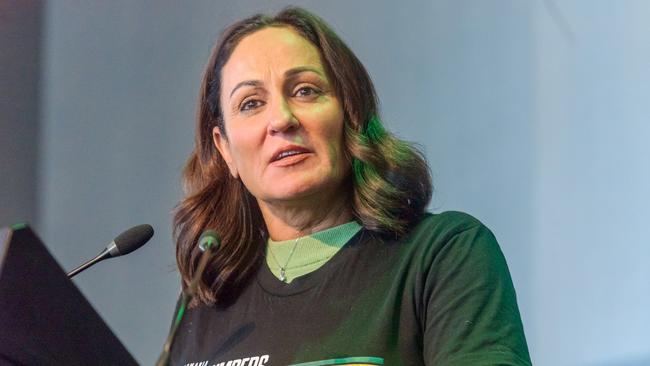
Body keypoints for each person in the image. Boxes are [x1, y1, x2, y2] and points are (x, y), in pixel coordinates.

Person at [169, 6, 531, 366]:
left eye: (305, 91)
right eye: (251, 103)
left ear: (350, 113)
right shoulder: (204, 300)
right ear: (225, 148)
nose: (281, 119)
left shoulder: (443, 253)